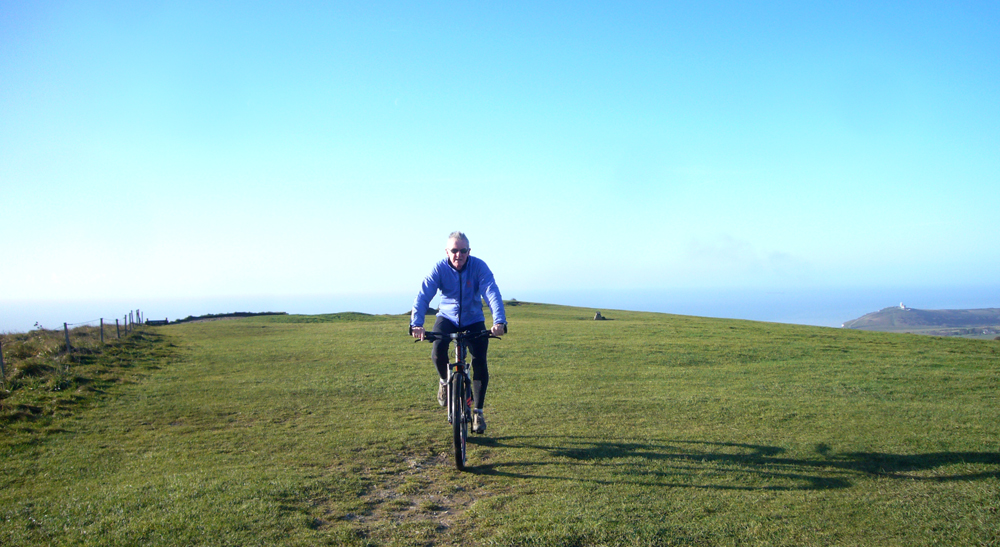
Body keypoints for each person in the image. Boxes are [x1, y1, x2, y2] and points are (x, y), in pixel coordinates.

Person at [410, 231, 507, 434]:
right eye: (454, 250)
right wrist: (416, 324)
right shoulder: (440, 268)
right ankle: (445, 382)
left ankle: (478, 412)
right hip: (447, 317)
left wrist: (499, 321)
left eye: (463, 251)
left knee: (480, 359)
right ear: (447, 251)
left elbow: (491, 292)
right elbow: (424, 294)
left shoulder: (479, 266)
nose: (458, 255)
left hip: (473, 319)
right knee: (437, 351)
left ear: (468, 251)